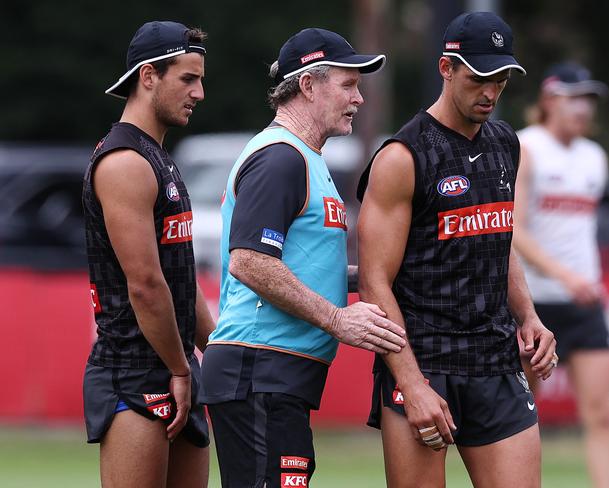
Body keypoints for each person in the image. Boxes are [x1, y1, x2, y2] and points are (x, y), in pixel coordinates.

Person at [357, 11, 558, 488]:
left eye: (502, 79)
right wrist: (410, 383)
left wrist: (527, 316)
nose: (491, 92)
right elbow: (373, 282)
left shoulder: (506, 143)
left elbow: (499, 239)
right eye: (479, 78)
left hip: (494, 359)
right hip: (424, 363)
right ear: (446, 69)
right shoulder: (402, 156)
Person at [198, 27, 407, 488]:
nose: (359, 99)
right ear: (309, 85)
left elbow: (302, 262)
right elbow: (249, 261)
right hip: (258, 370)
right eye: (348, 85)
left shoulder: (307, 159)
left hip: (275, 376)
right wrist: (337, 319)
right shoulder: (282, 158)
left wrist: (381, 275)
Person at [82, 21, 215, 488]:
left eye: (200, 79)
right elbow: (145, 284)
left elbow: (179, 278)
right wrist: (181, 368)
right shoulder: (124, 162)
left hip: (180, 367)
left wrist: (213, 355)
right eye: (187, 78)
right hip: (133, 370)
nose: (199, 92)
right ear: (148, 77)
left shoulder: (158, 157)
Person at [513, 62, 609, 488]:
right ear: (550, 100)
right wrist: (563, 275)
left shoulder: (595, 157)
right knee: (520, 415)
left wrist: (580, 280)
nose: (583, 108)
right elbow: (514, 229)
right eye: (575, 98)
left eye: (589, 100)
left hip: (584, 301)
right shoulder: (526, 147)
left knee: (604, 413)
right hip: (534, 302)